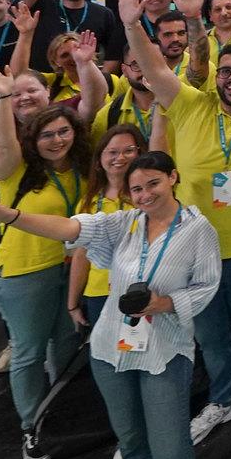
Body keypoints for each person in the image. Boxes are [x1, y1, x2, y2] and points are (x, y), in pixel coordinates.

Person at [0, 150, 220, 459]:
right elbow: (69, 229)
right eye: (136, 189)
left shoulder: (198, 230)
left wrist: (161, 303)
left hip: (165, 353)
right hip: (110, 350)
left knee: (170, 449)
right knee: (130, 441)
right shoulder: (123, 223)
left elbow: (206, 286)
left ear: (173, 178)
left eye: (153, 183)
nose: (145, 195)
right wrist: (10, 216)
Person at [116, 0, 231, 455]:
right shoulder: (190, 104)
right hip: (195, 254)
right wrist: (133, 26)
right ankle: (224, 398)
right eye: (225, 69)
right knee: (211, 336)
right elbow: (153, 65)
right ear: (214, 72)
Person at [0, 67, 93, 459]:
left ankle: (55, 405)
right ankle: (32, 425)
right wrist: (1, 97)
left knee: (65, 341)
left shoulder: (81, 168)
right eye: (47, 135)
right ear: (33, 139)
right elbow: (4, 142)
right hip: (25, 273)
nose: (57, 140)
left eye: (64, 132)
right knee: (29, 352)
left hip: (71, 269)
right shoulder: (16, 171)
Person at [69, 123, 148, 331]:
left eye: (129, 151)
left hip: (143, 289)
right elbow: (81, 255)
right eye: (112, 152)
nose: (120, 158)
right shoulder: (89, 203)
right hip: (99, 293)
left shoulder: (150, 197)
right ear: (99, 160)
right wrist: (73, 304)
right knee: (106, 358)